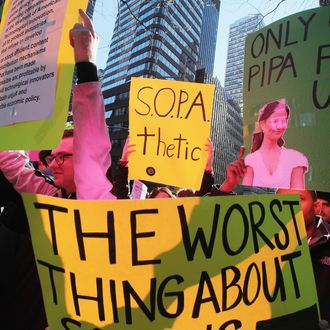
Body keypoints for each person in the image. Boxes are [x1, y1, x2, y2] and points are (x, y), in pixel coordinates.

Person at [277, 189, 330, 325]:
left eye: (298, 199)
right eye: (282, 200)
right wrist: (225, 190)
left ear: (316, 206)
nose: (289, 205)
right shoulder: (260, 245)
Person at [243, 99, 308, 189]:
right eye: (275, 121)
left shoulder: (296, 159)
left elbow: (298, 198)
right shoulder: (250, 160)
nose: (280, 126)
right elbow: (245, 198)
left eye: (284, 120)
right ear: (262, 124)